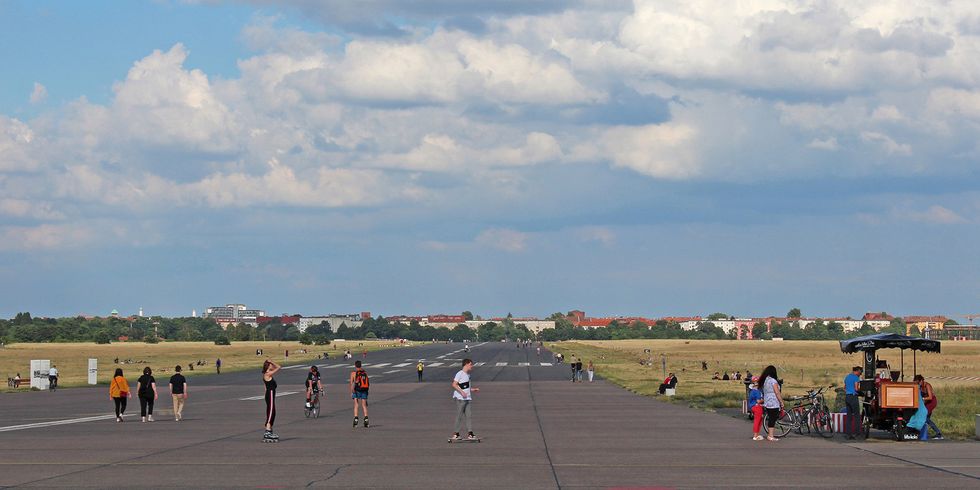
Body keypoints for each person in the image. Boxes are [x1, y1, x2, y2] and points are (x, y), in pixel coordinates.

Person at [450, 358, 480, 441]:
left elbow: (465, 387)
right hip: (460, 398)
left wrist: (472, 389)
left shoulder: (468, 375)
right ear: (466, 364)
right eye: (471, 364)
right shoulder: (460, 373)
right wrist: (462, 392)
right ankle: (456, 434)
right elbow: (454, 384)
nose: (472, 366)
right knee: (459, 416)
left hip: (467, 398)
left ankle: (470, 433)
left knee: (469, 416)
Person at [758, 365, 783, 442]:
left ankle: (770, 435)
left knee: (770, 418)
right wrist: (781, 401)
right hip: (773, 402)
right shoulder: (773, 381)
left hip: (767, 401)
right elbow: (777, 392)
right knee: (773, 418)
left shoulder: (766, 381)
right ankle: (770, 435)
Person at [914, 375, 944, 440]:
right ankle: (922, 433)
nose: (917, 384)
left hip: (932, 402)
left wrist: (922, 398)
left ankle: (939, 434)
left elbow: (930, 397)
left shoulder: (927, 385)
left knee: (925, 418)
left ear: (921, 381)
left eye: (918, 383)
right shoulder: (920, 387)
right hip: (926, 402)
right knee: (925, 418)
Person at [262, 359, 281, 441]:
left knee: (273, 412)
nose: (272, 366)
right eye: (270, 365)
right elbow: (279, 367)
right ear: (268, 366)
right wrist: (272, 361)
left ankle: (269, 429)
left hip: (270, 394)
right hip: (270, 394)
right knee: (271, 412)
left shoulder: (267, 374)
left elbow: (265, 387)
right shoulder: (268, 374)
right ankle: (267, 430)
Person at [843, 366, 862, 440]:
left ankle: (848, 434)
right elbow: (856, 388)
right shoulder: (856, 378)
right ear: (856, 371)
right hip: (853, 397)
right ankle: (857, 433)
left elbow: (844, 388)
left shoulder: (847, 377)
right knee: (857, 416)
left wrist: (848, 391)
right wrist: (861, 393)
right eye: (860, 372)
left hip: (847, 397)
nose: (860, 374)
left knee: (849, 416)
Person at [350, 360, 370, 428]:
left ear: (355, 365)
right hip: (364, 390)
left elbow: (351, 383)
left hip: (356, 390)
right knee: (364, 405)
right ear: (361, 365)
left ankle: (356, 418)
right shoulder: (364, 372)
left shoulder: (353, 373)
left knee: (356, 404)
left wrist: (351, 392)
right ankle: (366, 418)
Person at [748, 376, 764, 440]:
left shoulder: (752, 391)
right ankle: (755, 435)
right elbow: (758, 401)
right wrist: (764, 400)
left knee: (758, 420)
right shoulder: (757, 391)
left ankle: (756, 434)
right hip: (757, 406)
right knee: (758, 421)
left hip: (753, 406)